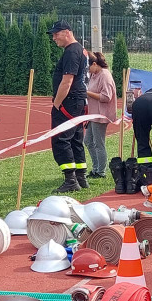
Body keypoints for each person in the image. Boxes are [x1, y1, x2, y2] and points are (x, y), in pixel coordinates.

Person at [48, 20, 90, 193]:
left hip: (69, 101)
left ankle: (71, 179)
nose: (53, 38)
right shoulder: (80, 49)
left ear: (67, 32)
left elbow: (68, 80)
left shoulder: (72, 51)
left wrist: (57, 103)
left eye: (56, 34)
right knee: (75, 138)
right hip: (79, 100)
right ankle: (81, 176)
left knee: (61, 138)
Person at [83, 51, 117, 179]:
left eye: (89, 67)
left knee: (98, 143)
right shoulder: (94, 74)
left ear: (95, 64)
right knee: (88, 141)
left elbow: (106, 97)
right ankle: (96, 168)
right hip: (93, 114)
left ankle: (101, 171)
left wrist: (87, 93)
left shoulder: (105, 75)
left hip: (101, 114)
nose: (88, 70)